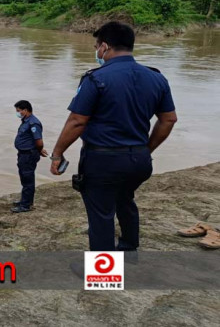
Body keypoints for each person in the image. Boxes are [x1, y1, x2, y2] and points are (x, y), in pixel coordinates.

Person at [50, 21, 177, 251]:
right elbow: (169, 119)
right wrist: (146, 149)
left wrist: (57, 154)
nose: (97, 52)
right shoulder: (157, 78)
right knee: (125, 200)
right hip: (139, 160)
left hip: (103, 161)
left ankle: (104, 276)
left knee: (101, 214)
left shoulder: (96, 79)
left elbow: (77, 121)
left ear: (105, 47)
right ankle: (128, 249)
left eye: (97, 46)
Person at [12, 100, 48, 213]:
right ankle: (25, 200)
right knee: (24, 177)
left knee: (27, 178)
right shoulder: (26, 121)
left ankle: (26, 205)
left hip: (28, 154)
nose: (17, 113)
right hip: (23, 153)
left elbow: (39, 141)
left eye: (19, 111)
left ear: (25, 110)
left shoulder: (33, 123)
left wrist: (39, 150)